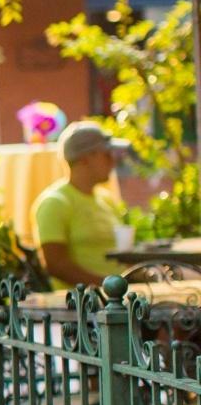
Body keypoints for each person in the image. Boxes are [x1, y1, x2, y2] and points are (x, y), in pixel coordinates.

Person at [32, 120, 130, 288]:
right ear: (85, 159)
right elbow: (56, 266)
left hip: (120, 296)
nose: (112, 161)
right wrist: (109, 287)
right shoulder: (54, 203)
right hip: (84, 305)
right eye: (106, 154)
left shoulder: (106, 199)